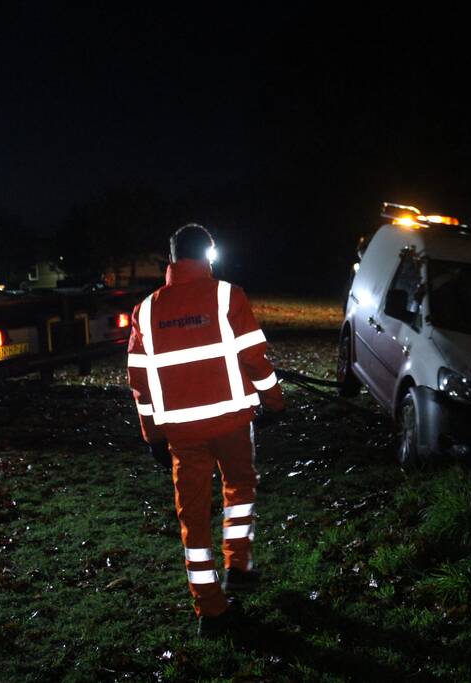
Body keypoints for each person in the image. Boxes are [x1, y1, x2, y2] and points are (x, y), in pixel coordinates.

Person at [127, 223, 285, 636]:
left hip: (182, 434)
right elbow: (254, 358)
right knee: (240, 489)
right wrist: (274, 402)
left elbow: (139, 382)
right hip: (233, 423)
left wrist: (153, 436)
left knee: (193, 518)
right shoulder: (227, 296)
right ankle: (239, 566)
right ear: (209, 253)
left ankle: (210, 611)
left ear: (172, 257)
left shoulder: (145, 310)